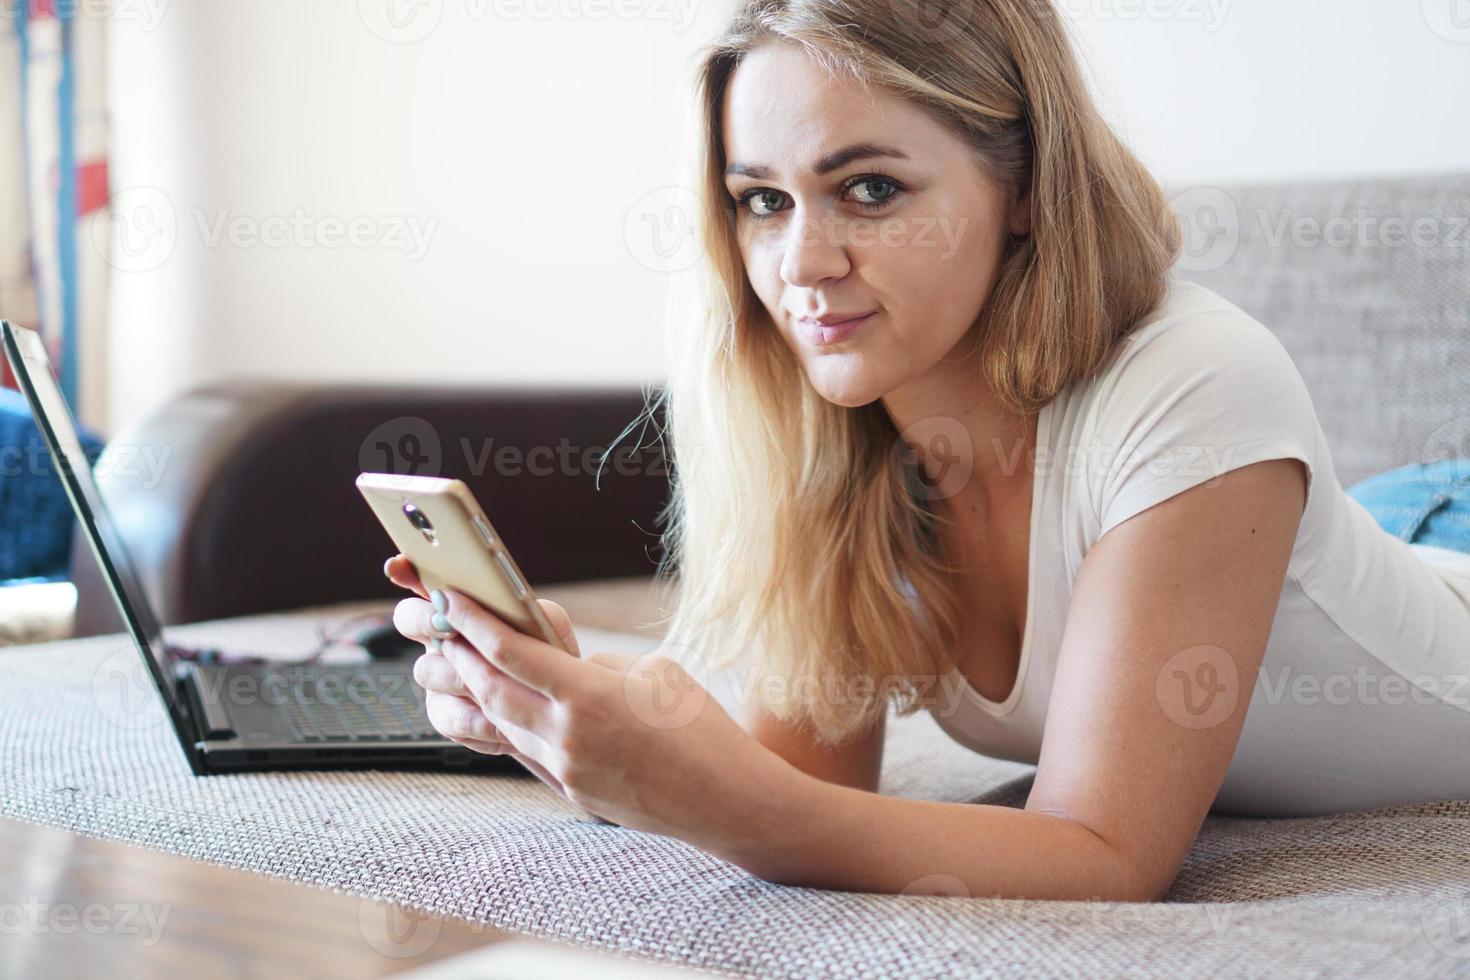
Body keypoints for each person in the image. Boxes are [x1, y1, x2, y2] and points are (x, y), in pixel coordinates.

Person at [388, 0, 1470, 901]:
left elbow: (1104, 858)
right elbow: (806, 782)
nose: (802, 261)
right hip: (1369, 529)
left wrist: (732, 805)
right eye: (762, 200)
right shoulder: (846, 433)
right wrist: (571, 719)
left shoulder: (1195, 380)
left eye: (870, 189)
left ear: (1029, 187)